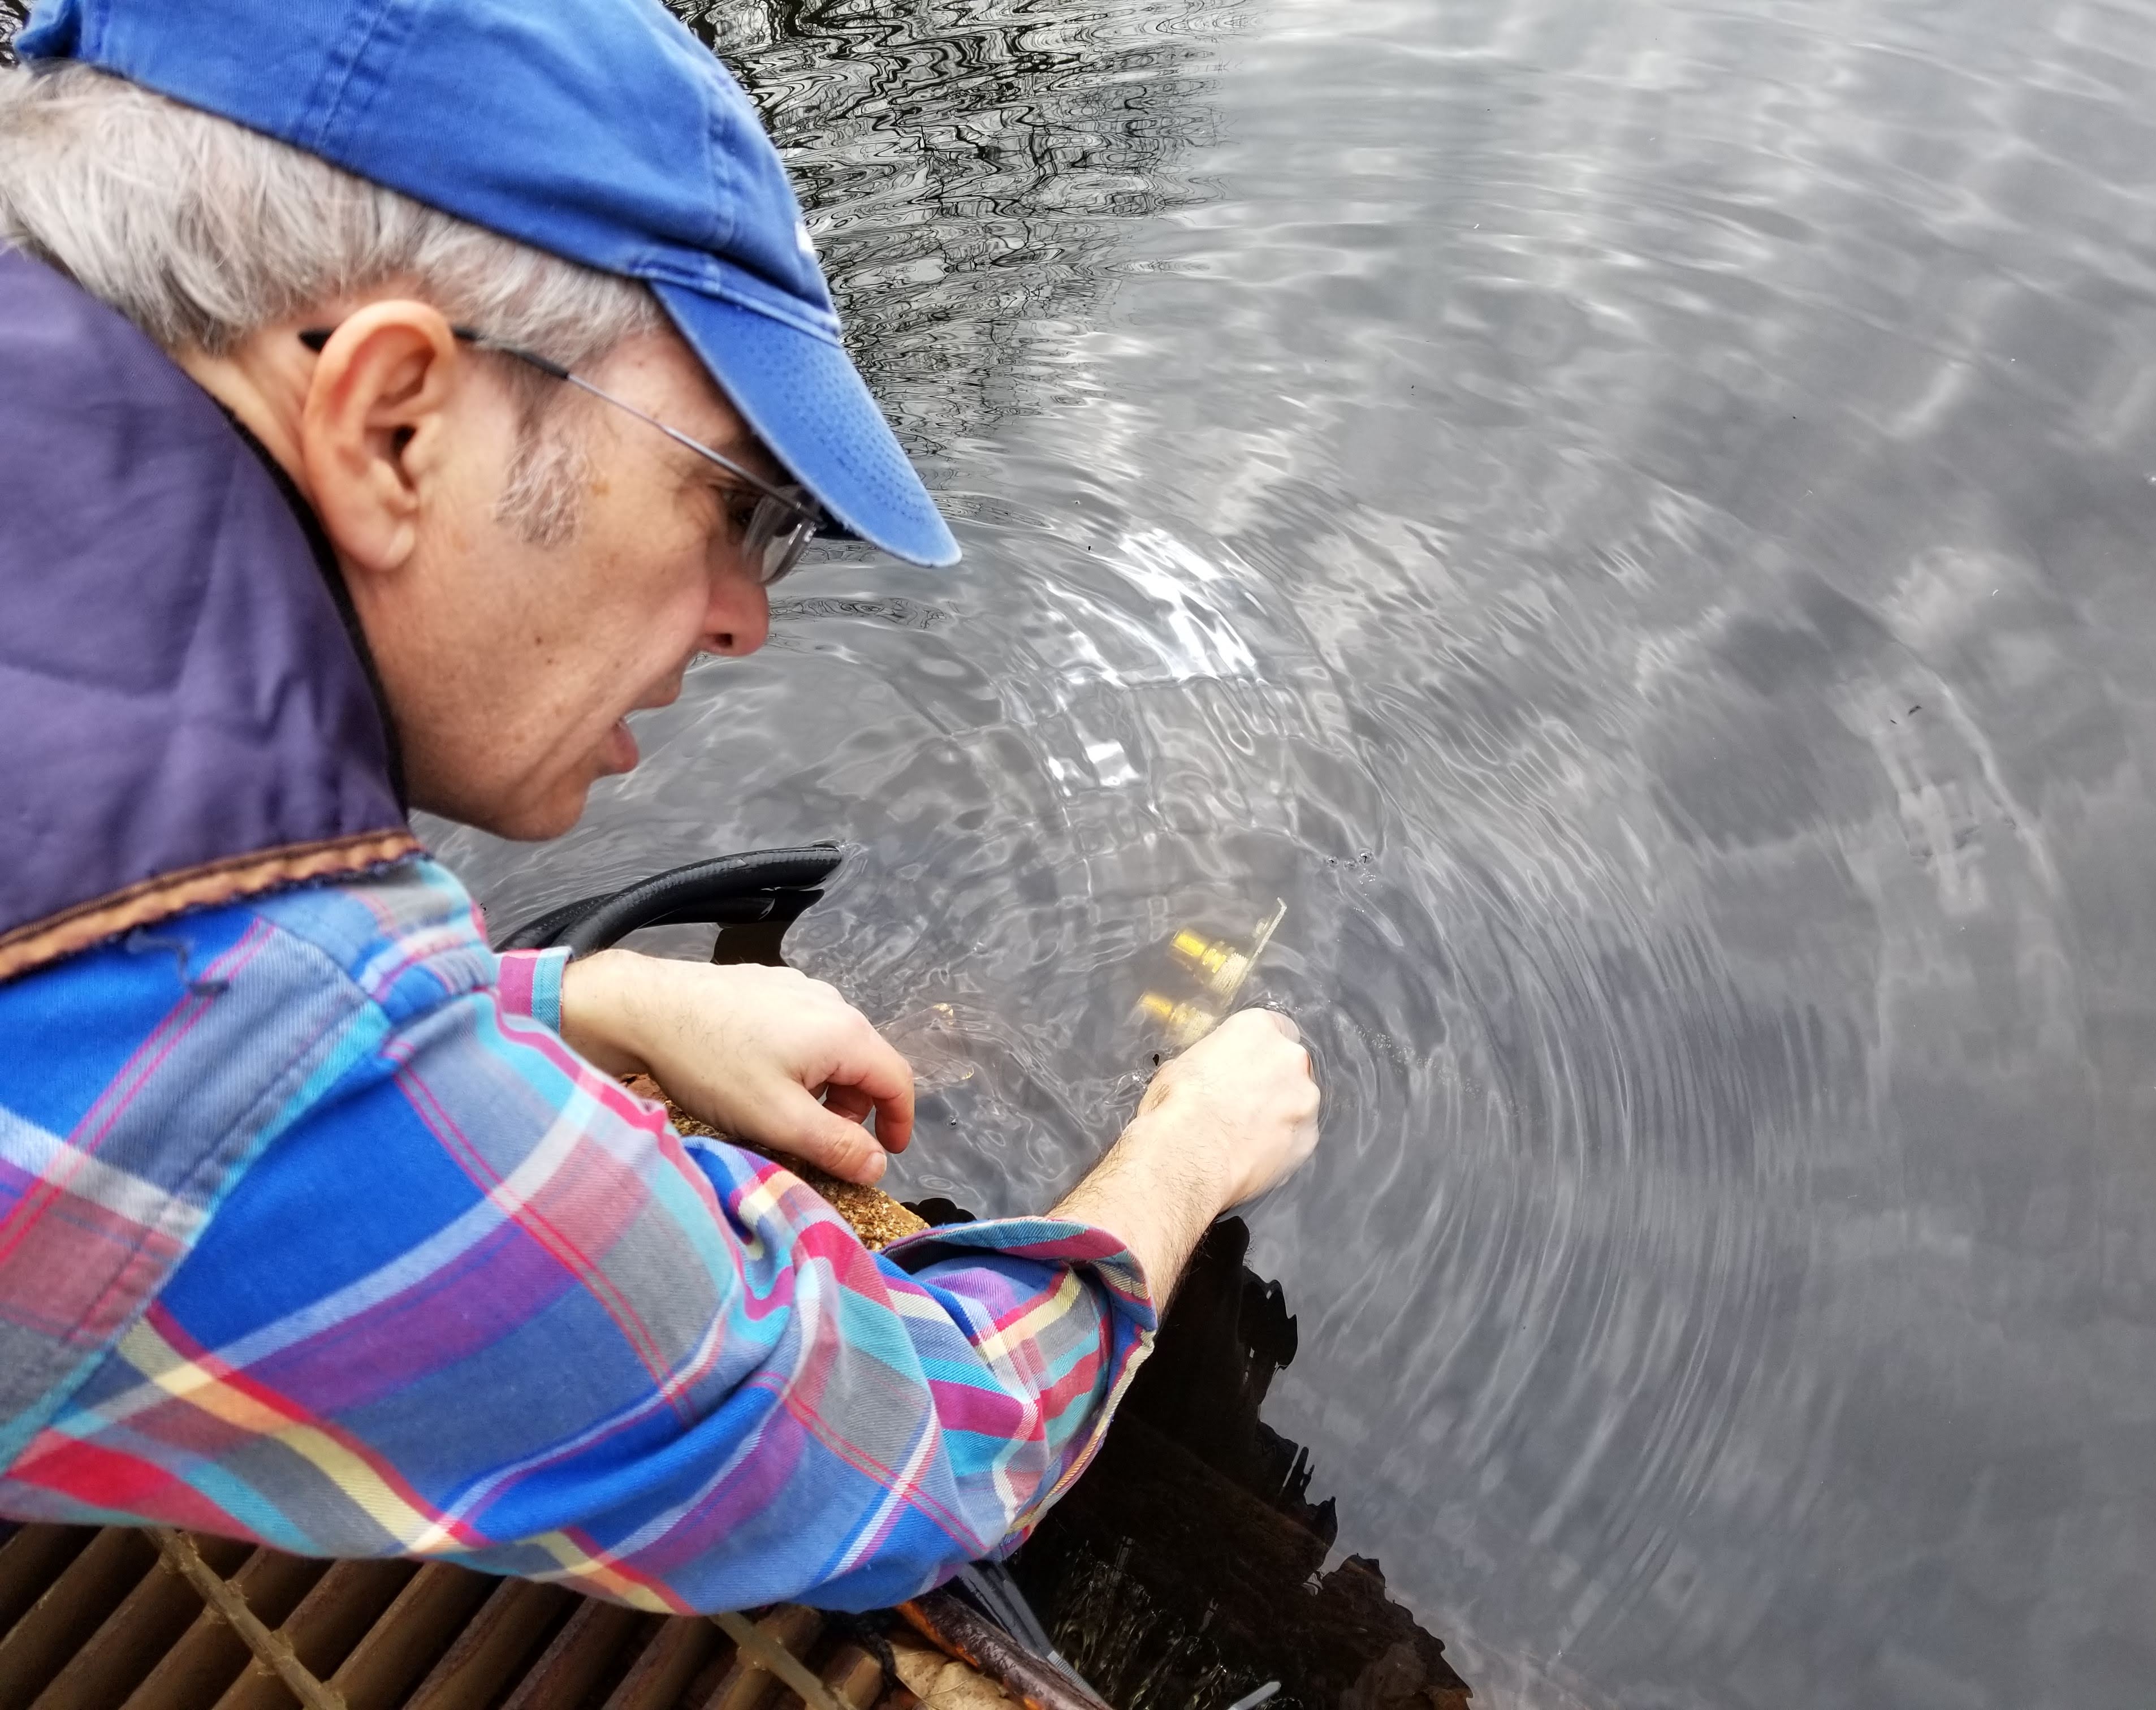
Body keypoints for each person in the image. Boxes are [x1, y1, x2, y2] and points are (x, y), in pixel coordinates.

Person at [0, 0, 1319, 1614]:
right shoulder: (239, 1043)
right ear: (396, 418)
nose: (746, 615)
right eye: (734, 502)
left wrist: (575, 998)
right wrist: (1182, 1156)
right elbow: (902, 1452)